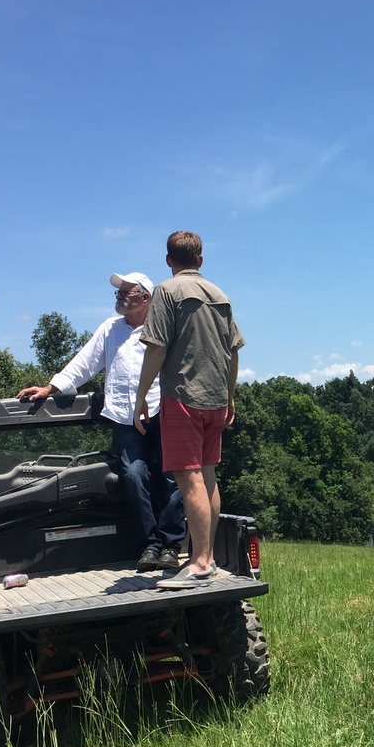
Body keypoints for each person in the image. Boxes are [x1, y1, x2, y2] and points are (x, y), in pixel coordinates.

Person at [18, 272, 186, 573]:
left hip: (165, 412)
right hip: (125, 417)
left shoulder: (165, 326)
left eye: (125, 291)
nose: (119, 296)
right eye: (118, 292)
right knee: (135, 476)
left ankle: (172, 545)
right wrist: (49, 388)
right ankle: (151, 544)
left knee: (172, 479)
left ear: (145, 297)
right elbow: (84, 363)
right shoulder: (110, 329)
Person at [133, 231, 245, 590]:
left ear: (169, 260)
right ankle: (206, 557)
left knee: (189, 478)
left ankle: (199, 563)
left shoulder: (167, 291)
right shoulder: (221, 296)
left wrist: (141, 396)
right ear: (200, 259)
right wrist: (229, 398)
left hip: (183, 397)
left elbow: (157, 347)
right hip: (215, 400)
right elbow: (234, 352)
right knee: (208, 477)